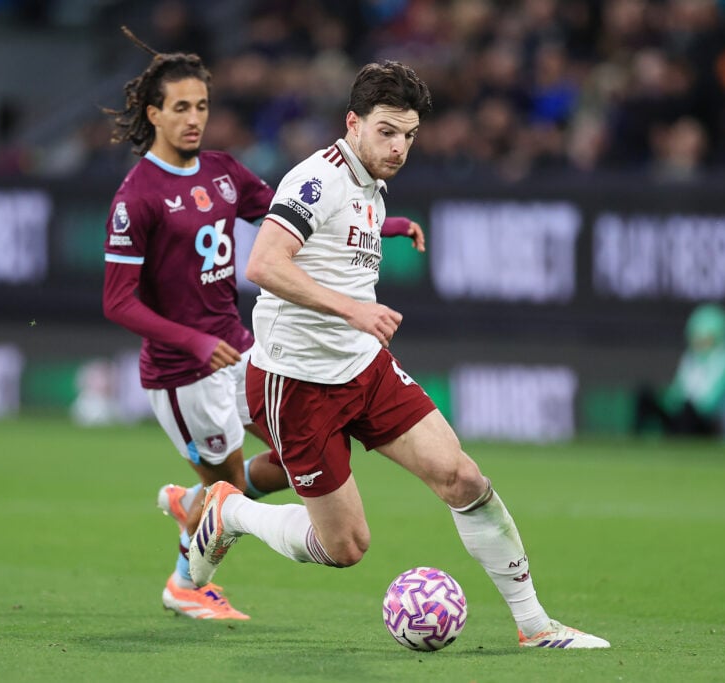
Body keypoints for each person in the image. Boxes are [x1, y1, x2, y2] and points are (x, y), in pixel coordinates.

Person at [187, 60, 610, 649]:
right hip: (296, 382)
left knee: (463, 477)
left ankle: (535, 626)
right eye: (386, 131)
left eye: (409, 135)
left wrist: (390, 230)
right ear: (352, 123)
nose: (399, 147)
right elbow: (263, 265)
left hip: (364, 367)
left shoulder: (371, 184)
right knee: (345, 546)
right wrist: (352, 310)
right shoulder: (317, 180)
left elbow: (336, 241)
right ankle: (230, 513)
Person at [102, 30, 426, 621]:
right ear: (154, 115)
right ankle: (185, 583)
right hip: (182, 372)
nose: (195, 119)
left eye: (203, 105)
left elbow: (297, 217)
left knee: (290, 459)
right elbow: (118, 302)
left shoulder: (223, 171)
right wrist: (195, 341)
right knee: (230, 485)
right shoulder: (137, 196)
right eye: (181, 107)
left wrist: (387, 224)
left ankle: (192, 502)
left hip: (242, 350)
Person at [634, 303, 725, 437]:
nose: (699, 343)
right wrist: (672, 403)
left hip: (704, 421)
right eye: (696, 338)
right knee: (646, 395)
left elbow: (711, 401)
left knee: (688, 411)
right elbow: (677, 391)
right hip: (682, 412)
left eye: (705, 339)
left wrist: (687, 405)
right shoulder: (690, 358)